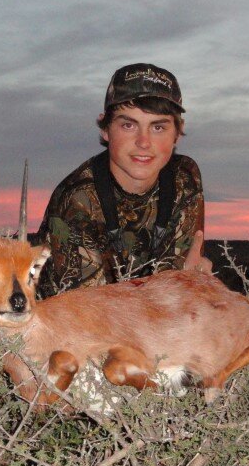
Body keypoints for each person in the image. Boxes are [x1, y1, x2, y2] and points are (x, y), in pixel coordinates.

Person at [36, 63, 211, 297]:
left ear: (178, 133)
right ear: (106, 128)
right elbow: (89, 314)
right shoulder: (78, 199)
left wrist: (192, 279)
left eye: (158, 127)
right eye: (128, 125)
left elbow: (180, 280)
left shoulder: (184, 177)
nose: (143, 142)